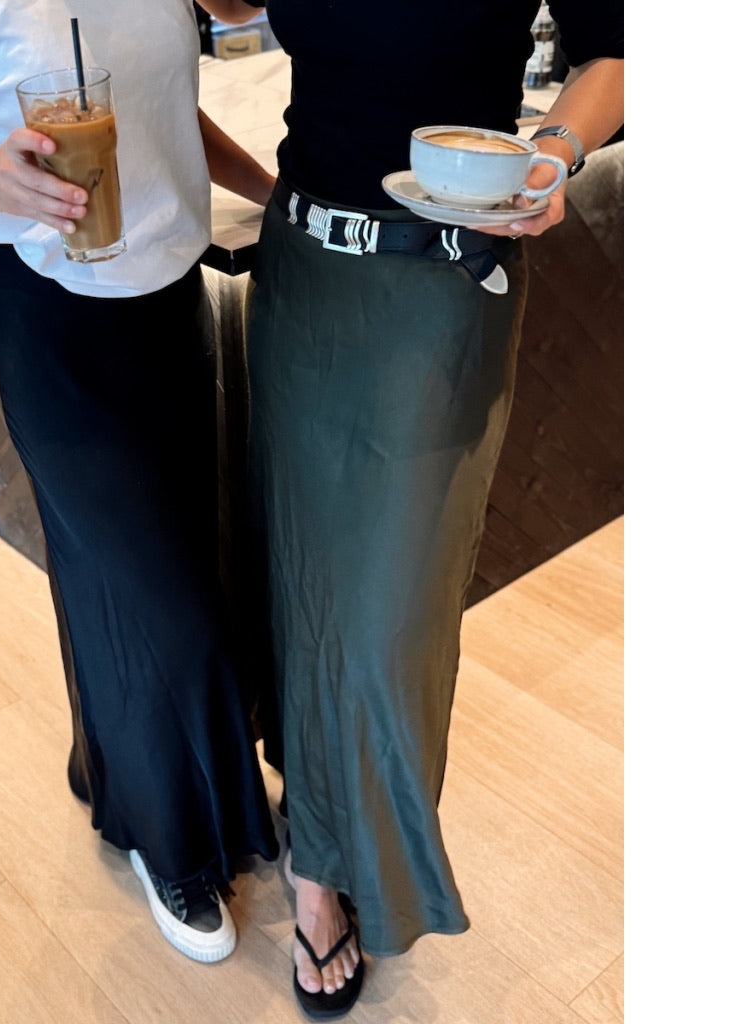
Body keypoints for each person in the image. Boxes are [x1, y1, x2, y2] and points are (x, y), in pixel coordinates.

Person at [0, 0, 280, 965]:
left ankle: (116, 768)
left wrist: (268, 186)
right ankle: (168, 843)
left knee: (138, 581)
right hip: (57, 325)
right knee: (168, 609)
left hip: (171, 311)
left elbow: (163, 112)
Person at [236, 0, 624, 1016]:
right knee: (301, 573)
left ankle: (341, 845)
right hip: (300, 270)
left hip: (442, 282)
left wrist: (554, 152)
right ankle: (317, 844)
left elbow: (618, 52)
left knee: (390, 616)